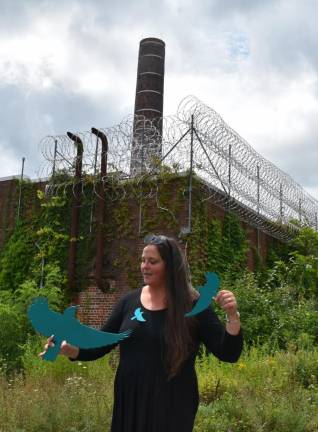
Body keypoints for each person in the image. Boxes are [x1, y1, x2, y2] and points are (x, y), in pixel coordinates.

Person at [40, 234, 243, 432]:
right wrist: (68, 349)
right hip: (131, 400)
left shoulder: (194, 305)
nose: (144, 266)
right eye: (143, 260)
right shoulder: (128, 302)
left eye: (152, 261)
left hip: (173, 404)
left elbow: (228, 353)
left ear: (170, 267)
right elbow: (101, 344)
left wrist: (232, 317)